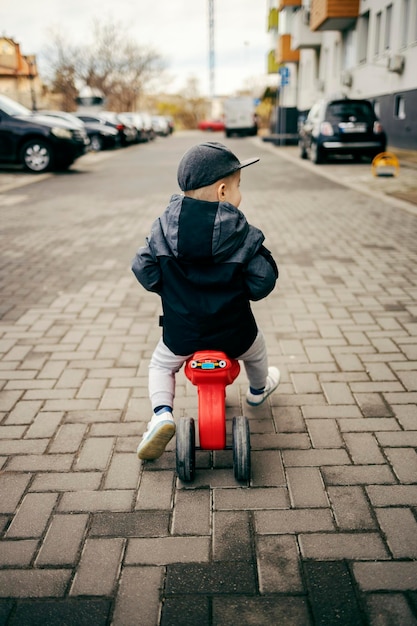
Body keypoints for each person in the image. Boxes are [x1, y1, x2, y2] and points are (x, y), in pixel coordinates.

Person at [132, 141, 280, 461]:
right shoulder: (244, 233)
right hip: (234, 331)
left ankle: (161, 414)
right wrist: (243, 290)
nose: (241, 195)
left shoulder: (162, 228)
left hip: (182, 332)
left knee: (160, 365)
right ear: (224, 191)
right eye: (240, 187)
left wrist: (168, 289)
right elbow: (263, 281)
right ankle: (257, 391)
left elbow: (142, 267)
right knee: (256, 351)